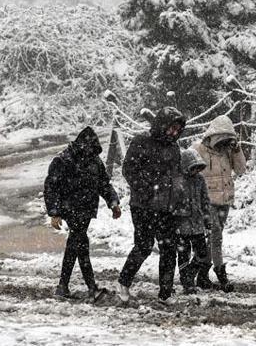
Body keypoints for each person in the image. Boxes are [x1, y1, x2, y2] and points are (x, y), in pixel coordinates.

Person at [117, 106, 186, 304]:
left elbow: (176, 175)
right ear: (162, 125)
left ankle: (165, 293)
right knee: (144, 246)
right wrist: (147, 189)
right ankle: (123, 282)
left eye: (177, 130)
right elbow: (128, 169)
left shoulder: (174, 148)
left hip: (167, 206)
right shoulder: (141, 142)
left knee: (169, 248)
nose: (173, 133)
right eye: (171, 128)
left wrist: (178, 197)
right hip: (143, 205)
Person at [44, 126, 121, 301]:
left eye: (94, 151)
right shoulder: (64, 160)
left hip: (86, 210)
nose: (91, 153)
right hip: (70, 209)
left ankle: (63, 286)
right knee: (81, 244)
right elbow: (51, 187)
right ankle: (91, 287)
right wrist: (55, 213)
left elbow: (104, 184)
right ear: (81, 146)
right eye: (89, 149)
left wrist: (113, 202)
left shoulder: (95, 161)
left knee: (75, 245)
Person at [192, 115, 247, 292]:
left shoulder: (229, 151)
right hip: (206, 201)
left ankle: (200, 273)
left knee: (212, 240)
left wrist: (237, 150)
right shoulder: (198, 149)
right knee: (215, 237)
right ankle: (221, 274)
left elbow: (240, 170)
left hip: (224, 202)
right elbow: (187, 169)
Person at [172, 147, 211, 294]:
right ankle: (186, 282)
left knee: (202, 252)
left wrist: (207, 219)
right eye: (192, 168)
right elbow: (172, 203)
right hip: (181, 225)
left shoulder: (200, 180)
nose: (195, 171)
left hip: (197, 223)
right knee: (183, 253)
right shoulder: (177, 181)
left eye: (197, 168)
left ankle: (189, 273)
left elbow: (205, 200)